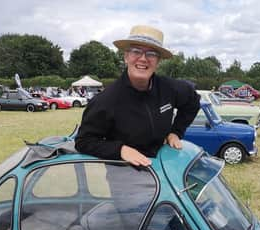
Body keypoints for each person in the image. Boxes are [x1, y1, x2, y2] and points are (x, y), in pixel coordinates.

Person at [75, 25, 200, 166]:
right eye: (136, 51)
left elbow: (193, 102)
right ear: (126, 56)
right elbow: (84, 141)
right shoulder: (106, 100)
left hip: (164, 167)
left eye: (151, 54)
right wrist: (120, 150)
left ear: (158, 61)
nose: (143, 59)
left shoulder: (170, 88)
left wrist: (176, 132)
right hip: (125, 174)